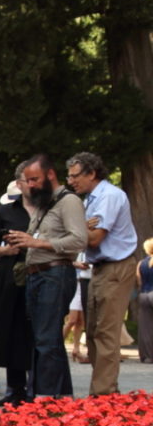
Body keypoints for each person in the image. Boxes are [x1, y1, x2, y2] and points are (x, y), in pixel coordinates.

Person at [6, 154, 87, 398]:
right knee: (45, 338)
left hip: (55, 272)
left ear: (50, 175)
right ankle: (61, 397)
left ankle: (45, 398)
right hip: (38, 274)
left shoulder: (69, 201)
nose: (30, 185)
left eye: (34, 179)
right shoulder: (44, 203)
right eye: (27, 180)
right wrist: (22, 241)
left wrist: (37, 243)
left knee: (46, 339)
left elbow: (79, 239)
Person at [66, 152, 138, 395]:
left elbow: (95, 238)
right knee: (94, 331)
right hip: (99, 269)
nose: (70, 181)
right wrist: (81, 228)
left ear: (92, 173)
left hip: (115, 267)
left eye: (75, 176)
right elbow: (86, 234)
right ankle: (105, 391)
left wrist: (74, 229)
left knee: (106, 332)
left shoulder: (108, 196)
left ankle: (103, 395)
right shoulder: (91, 199)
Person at [0, 171, 34, 406]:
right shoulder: (6, 212)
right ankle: (16, 388)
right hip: (11, 278)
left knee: (38, 334)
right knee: (11, 333)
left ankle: (40, 387)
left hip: (41, 275)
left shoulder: (49, 209)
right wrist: (6, 251)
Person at [137, 237, 153, 364]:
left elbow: (139, 281)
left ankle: (147, 356)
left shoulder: (141, 263)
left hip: (144, 295)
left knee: (145, 328)